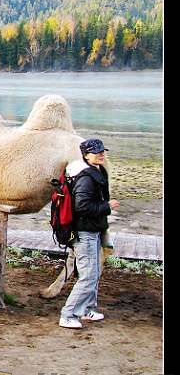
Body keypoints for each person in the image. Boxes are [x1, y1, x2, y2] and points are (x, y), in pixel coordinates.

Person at [59, 138, 119, 329]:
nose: (101, 154)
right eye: (96, 152)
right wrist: (107, 207)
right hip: (84, 233)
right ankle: (67, 315)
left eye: (102, 151)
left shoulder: (97, 172)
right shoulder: (85, 178)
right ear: (85, 155)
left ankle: (86, 309)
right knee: (88, 276)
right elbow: (82, 207)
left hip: (93, 230)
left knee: (94, 273)